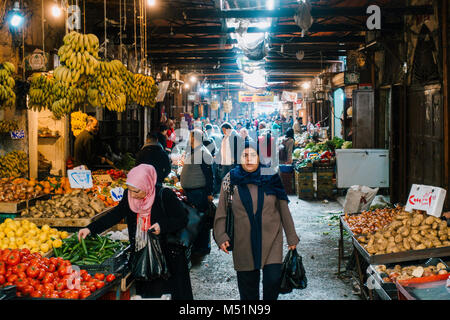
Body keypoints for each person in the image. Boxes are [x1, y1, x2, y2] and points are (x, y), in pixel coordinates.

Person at [78, 164, 193, 300]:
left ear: (147, 185)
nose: (133, 195)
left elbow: (182, 219)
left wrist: (163, 226)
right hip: (142, 256)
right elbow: (115, 214)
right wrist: (90, 228)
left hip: (168, 259)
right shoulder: (129, 196)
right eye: (130, 190)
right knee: (148, 295)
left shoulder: (165, 195)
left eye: (137, 191)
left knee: (171, 294)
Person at [213, 142, 299, 300]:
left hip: (272, 238)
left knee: (273, 281)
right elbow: (222, 210)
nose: (249, 159)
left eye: (253, 155)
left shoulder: (271, 176)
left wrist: (291, 236)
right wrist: (221, 236)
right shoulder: (230, 179)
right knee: (248, 288)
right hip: (243, 240)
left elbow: (283, 208)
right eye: (245, 155)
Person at [180, 129, 214, 257]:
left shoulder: (202, 153)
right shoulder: (198, 151)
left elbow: (209, 175)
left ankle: (202, 247)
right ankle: (200, 246)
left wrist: (209, 192)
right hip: (194, 192)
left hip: (199, 193)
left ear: (195, 138)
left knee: (200, 220)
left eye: (191, 137)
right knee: (198, 220)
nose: (190, 139)